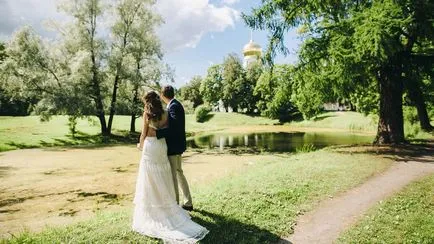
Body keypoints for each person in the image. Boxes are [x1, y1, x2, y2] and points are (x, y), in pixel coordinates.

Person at [132, 91, 208, 243]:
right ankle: (168, 204)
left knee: (150, 178)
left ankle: (154, 209)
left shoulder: (146, 113)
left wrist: (140, 146)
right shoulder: (166, 113)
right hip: (162, 146)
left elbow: (144, 133)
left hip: (151, 147)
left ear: (147, 101)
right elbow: (168, 131)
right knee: (163, 174)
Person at [156, 85, 193, 211]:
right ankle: (187, 202)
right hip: (177, 146)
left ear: (162, 95)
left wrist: (157, 133)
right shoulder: (175, 104)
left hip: (174, 147)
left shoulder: (173, 106)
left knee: (174, 176)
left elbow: (174, 128)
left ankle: (176, 206)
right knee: (179, 173)